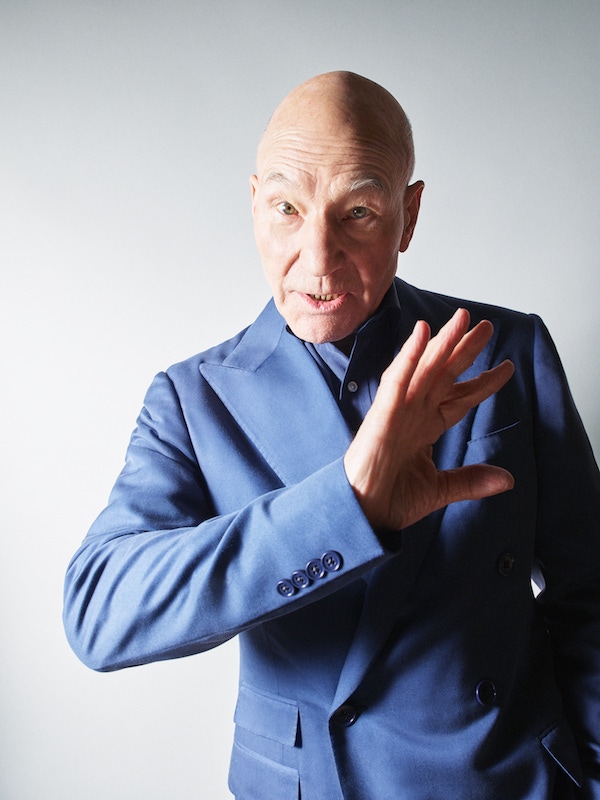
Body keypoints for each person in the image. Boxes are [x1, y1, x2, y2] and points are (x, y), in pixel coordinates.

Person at [63, 71, 600, 799]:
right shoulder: (194, 400)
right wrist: (348, 504)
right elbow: (99, 614)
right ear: (255, 205)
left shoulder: (504, 348)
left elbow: (589, 590)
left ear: (408, 217)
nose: (317, 260)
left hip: (507, 779)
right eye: (287, 208)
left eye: (357, 212)